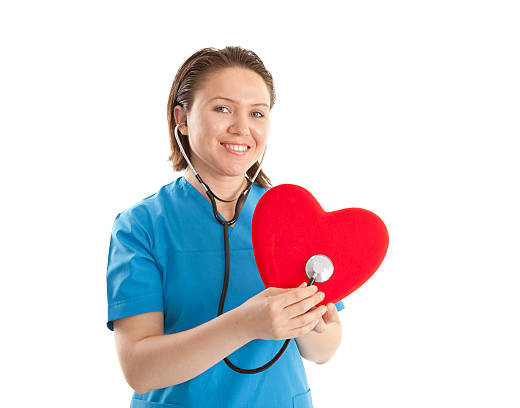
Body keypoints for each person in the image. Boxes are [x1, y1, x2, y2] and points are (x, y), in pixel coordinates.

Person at [106, 46, 345, 408]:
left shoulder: (292, 217)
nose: (242, 127)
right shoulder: (141, 226)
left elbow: (326, 349)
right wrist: (246, 324)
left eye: (257, 113)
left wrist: (308, 325)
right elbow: (140, 369)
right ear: (182, 119)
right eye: (222, 108)